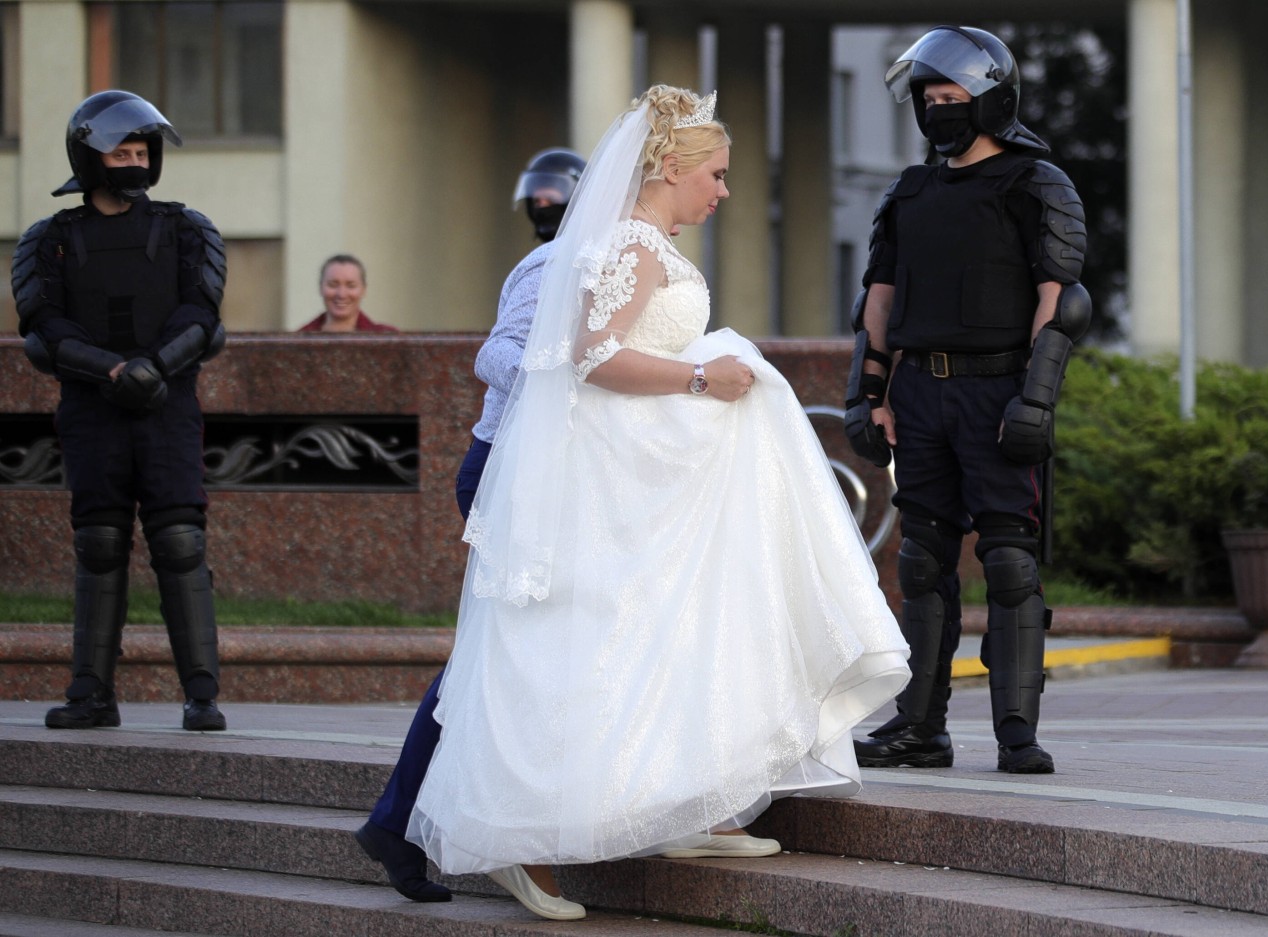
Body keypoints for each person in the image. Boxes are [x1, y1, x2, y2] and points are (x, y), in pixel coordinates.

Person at [404, 85, 911, 922]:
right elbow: (594, 359)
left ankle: (692, 804)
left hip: (645, 470)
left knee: (671, 630)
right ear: (670, 169)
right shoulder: (633, 246)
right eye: (714, 173)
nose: (722, 190)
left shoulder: (641, 244)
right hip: (613, 475)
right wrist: (707, 377)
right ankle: (527, 847)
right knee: (597, 639)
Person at [842, 26, 1090, 775]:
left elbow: (1063, 299)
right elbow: (878, 301)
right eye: (930, 98)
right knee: (921, 560)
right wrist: (868, 393)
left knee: (1010, 561)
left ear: (991, 98)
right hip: (920, 393)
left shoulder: (1036, 183)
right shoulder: (909, 191)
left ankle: (1017, 730)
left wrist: (1036, 401)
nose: (940, 110)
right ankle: (921, 727)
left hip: (998, 390)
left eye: (953, 97)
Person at [353, 147, 586, 904]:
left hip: (530, 471)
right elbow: (500, 354)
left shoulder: (578, 259)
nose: (547, 207)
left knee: (506, 658)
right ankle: (404, 821)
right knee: (491, 661)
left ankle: (401, 822)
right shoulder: (554, 266)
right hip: (509, 471)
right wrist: (581, 389)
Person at [10, 90, 229, 732]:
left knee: (181, 543)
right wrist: (111, 370)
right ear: (89, 157)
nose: (133, 162)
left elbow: (202, 311)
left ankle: (201, 694)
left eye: (141, 151)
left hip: (167, 404)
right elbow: (43, 324)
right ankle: (91, 694)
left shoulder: (188, 229)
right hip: (93, 407)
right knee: (100, 544)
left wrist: (154, 368)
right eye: (120, 151)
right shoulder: (48, 240)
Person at [297, 254, 398, 333]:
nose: (341, 294)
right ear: (320, 287)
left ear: (364, 290)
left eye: (351, 286)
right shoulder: (298, 341)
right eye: (333, 285)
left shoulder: (388, 339)